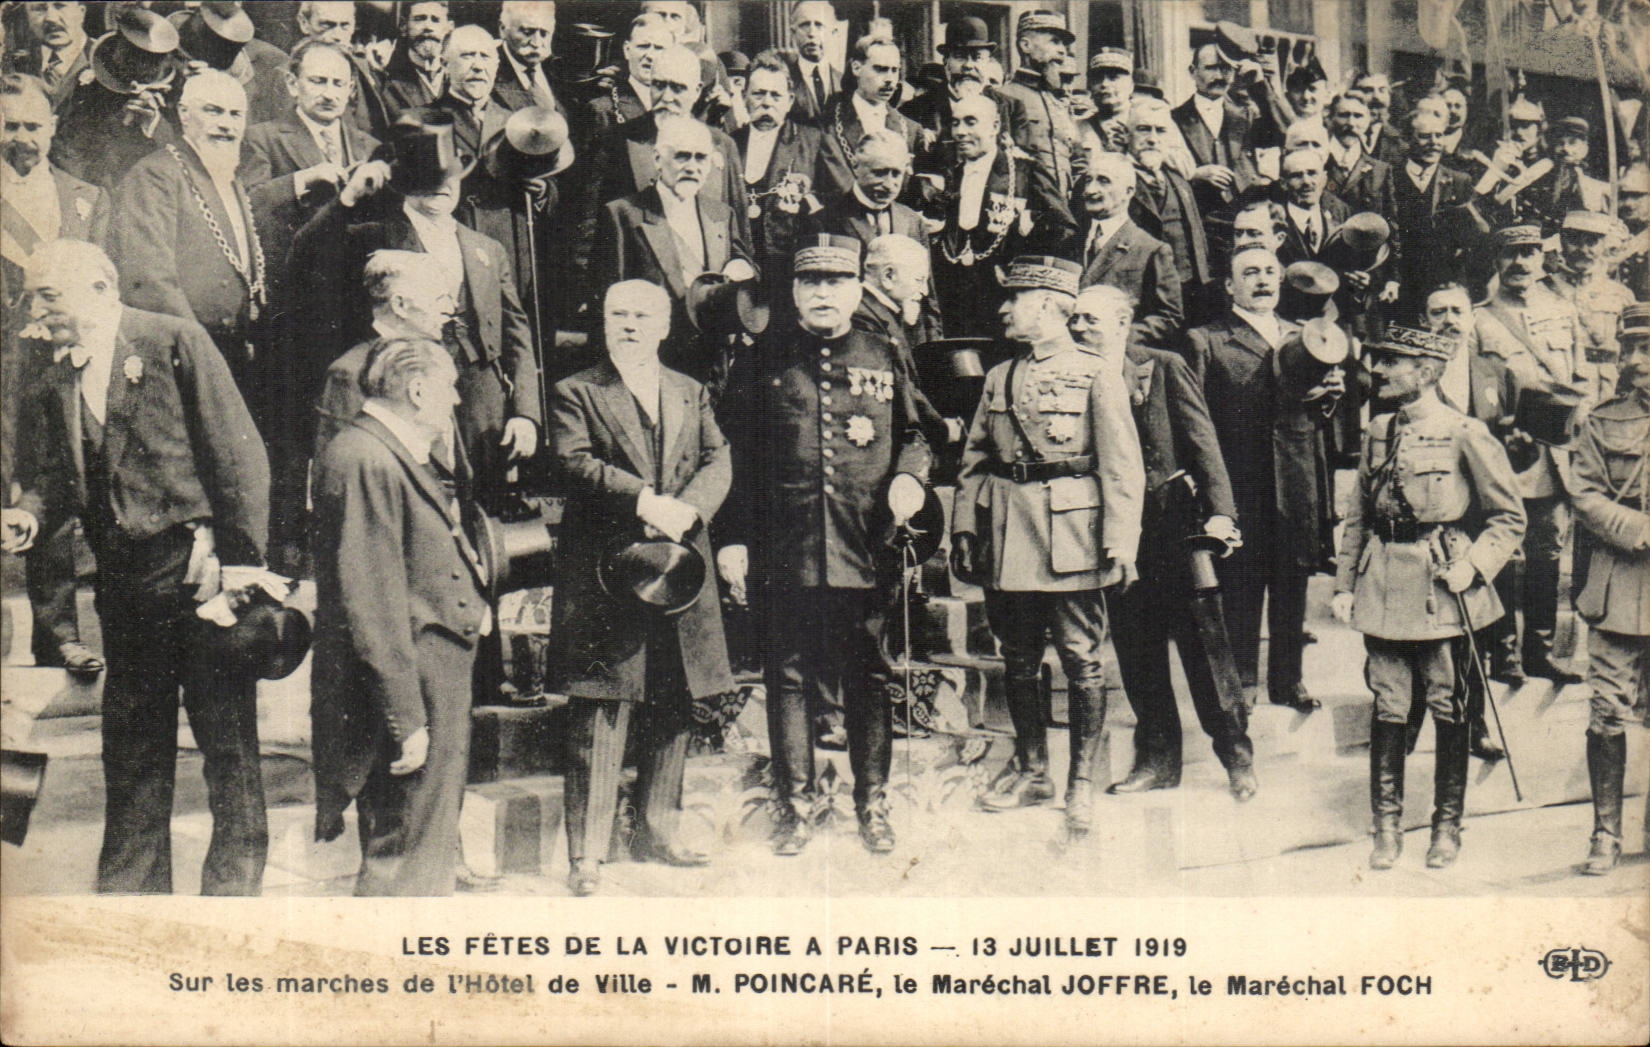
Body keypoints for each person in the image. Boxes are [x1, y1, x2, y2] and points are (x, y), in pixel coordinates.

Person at [7, 239, 271, 894]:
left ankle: (233, 900)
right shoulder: (52, 377)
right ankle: (130, 899)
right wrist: (30, 515)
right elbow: (53, 477)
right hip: (125, 591)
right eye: (31, 298)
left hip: (198, 576)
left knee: (227, 747)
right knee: (131, 751)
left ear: (100, 287)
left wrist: (241, 568)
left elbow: (238, 456)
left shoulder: (171, 341)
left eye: (47, 295)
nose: (34, 312)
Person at [718, 234, 932, 858]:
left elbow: (917, 434)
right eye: (811, 282)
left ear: (858, 289)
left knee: (869, 675)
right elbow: (730, 453)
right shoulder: (763, 357)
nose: (823, 293)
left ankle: (873, 804)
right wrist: (732, 536)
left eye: (836, 282)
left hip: (865, 542)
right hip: (785, 544)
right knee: (787, 676)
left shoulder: (884, 351)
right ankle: (795, 808)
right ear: (793, 290)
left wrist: (910, 479)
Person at [548, 279, 734, 896]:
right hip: (608, 569)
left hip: (680, 564)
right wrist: (645, 501)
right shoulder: (576, 391)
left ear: (664, 327)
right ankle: (587, 854)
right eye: (617, 315)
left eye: (642, 316)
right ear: (603, 323)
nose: (629, 325)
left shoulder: (689, 390)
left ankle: (659, 831)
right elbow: (574, 461)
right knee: (602, 704)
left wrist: (690, 509)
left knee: (676, 696)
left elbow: (718, 458)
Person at [950, 262, 1142, 835]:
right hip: (1009, 533)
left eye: (1017, 299)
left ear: (1050, 305)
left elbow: (1121, 465)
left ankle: (1080, 783)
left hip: (1071, 537)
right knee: (1018, 657)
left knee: (1081, 659)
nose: (1005, 309)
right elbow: (975, 460)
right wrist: (965, 528)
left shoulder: (1095, 372)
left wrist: (1121, 541)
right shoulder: (1000, 376)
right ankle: (1034, 771)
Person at [1332, 324, 1525, 870]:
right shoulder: (1378, 430)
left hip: (1442, 588)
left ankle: (1446, 827)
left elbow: (1509, 518)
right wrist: (1344, 584)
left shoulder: (1464, 432)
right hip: (1382, 586)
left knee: (1449, 706)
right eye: (1379, 361)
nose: (1379, 371)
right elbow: (1358, 516)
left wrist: (1474, 566)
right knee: (1389, 706)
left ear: (1426, 371)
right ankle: (1386, 828)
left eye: (1392, 362)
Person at [288, 108, 541, 516]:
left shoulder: (487, 248)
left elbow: (516, 334)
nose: (442, 186)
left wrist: (526, 413)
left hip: (482, 409)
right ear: (406, 183)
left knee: (482, 516)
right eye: (429, 178)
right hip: (406, 394)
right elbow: (305, 256)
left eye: (450, 176)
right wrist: (347, 199)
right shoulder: (373, 236)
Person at [309, 337, 486, 896]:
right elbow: (373, 601)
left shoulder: (384, 451)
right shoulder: (367, 458)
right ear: (417, 391)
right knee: (406, 852)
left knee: (420, 847)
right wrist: (406, 719)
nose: (456, 401)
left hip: (429, 676)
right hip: (412, 683)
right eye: (450, 388)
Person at [1085, 285, 1255, 801]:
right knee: (1137, 651)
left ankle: (1237, 757)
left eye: (1090, 319)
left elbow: (1202, 440)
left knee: (1206, 647)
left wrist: (1221, 513)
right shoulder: (1076, 375)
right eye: (1073, 319)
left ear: (1122, 322)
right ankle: (1158, 760)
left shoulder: (1161, 366)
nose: (1078, 327)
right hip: (1117, 534)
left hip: (1175, 526)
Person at [1187, 246, 1341, 711]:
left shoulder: (1305, 335)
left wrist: (1331, 396)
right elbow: (1195, 419)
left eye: (1270, 272)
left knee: (1292, 583)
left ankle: (1288, 681)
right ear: (1229, 285)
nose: (1262, 280)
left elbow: (1318, 415)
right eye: (1249, 272)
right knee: (1241, 584)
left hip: (1296, 479)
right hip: (1240, 482)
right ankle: (1242, 685)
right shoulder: (1207, 339)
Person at [1, 71, 108, 675]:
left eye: (33, 125)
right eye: (9, 125)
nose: (22, 137)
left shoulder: (86, 197)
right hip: (2, 367)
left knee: (57, 488)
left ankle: (60, 634)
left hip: (62, 364)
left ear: (54, 127)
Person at [107, 70, 269, 423]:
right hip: (184, 357)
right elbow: (149, 280)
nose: (225, 124)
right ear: (183, 113)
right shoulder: (156, 174)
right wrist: (198, 352)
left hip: (233, 354)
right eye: (213, 110)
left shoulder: (228, 175)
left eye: (235, 114)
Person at [1474, 224, 1592, 683]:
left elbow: (1581, 379)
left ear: (1544, 260)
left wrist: (1574, 425)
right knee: (1504, 552)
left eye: (1529, 253)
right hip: (1502, 452)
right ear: (1496, 261)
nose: (1520, 263)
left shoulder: (1563, 313)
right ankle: (1504, 655)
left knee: (1547, 553)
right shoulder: (1480, 320)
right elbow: (1475, 392)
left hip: (1553, 455)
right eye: (1511, 253)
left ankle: (1540, 652)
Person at [1421, 281, 1521, 755]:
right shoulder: (1411, 375)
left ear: (1472, 317)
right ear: (1424, 322)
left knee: (1475, 628)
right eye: (1437, 312)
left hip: (1481, 522)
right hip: (1429, 521)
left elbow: (1512, 451)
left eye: (1457, 311)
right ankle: (1412, 719)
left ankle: (1473, 723)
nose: (1448, 320)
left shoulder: (1496, 372)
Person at [593, 115, 757, 396]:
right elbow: (608, 304)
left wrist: (741, 267)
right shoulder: (623, 214)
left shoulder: (721, 214)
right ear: (658, 159)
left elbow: (746, 266)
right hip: (654, 371)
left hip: (713, 371)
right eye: (682, 156)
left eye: (701, 158)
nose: (692, 167)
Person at [1569, 304, 1649, 876]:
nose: (1636, 360)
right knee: (1606, 713)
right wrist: (1638, 528)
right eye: (1630, 349)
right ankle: (1605, 834)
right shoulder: (1603, 420)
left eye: (1648, 347)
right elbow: (1584, 492)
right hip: (1619, 585)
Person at [928, 93, 1071, 357]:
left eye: (970, 122)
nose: (960, 132)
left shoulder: (1025, 172)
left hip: (1005, 309)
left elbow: (1064, 228)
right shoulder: (950, 177)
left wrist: (1023, 269)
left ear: (995, 126)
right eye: (956, 123)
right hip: (955, 310)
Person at [313, 250, 457, 460]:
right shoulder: (349, 373)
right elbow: (347, 466)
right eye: (440, 298)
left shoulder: (433, 357)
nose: (451, 308)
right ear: (400, 305)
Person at [735, 49, 827, 298]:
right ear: (744, 96)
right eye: (758, 94)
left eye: (775, 95)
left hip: (789, 271)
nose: (766, 102)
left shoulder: (812, 142)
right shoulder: (729, 144)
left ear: (789, 101)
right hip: (741, 270)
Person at [1071, 150, 1182, 348]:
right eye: (1088, 180)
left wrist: (1117, 336)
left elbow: (1169, 317)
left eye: (1103, 181)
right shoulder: (1070, 242)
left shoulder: (1150, 249)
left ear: (1129, 191)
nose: (1090, 190)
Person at [1123, 96, 1215, 327]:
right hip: (1142, 295)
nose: (1152, 139)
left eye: (1160, 131)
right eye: (1143, 129)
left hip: (1189, 294)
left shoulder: (1178, 180)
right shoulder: (1115, 178)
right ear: (1126, 135)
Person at [816, 31, 924, 204]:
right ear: (856, 68)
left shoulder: (911, 130)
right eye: (880, 69)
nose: (890, 79)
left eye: (894, 70)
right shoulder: (826, 124)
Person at [1546, 210, 1637, 399]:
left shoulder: (1621, 294)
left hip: (1606, 389)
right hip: (1558, 385)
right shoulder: (1542, 290)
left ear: (1603, 244)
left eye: (1592, 242)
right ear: (1561, 242)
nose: (1583, 249)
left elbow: (1634, 347)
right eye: (1574, 241)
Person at [994, 10, 1079, 200]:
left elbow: (1077, 158)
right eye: (1054, 41)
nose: (1063, 51)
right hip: (1026, 208)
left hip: (1066, 208)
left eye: (1063, 44)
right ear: (1026, 45)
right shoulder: (1003, 96)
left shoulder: (1060, 103)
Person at [585, 12, 669, 136]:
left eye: (659, 48)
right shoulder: (602, 110)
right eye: (643, 46)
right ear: (627, 50)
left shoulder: (683, 106)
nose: (650, 55)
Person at [12, 1, 88, 111]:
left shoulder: (107, 61)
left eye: (60, 6)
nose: (51, 18)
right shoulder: (16, 65)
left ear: (81, 12)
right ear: (27, 17)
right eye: (39, 8)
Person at [380, 1, 451, 115]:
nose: (428, 27)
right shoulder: (387, 82)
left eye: (435, 20)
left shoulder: (456, 79)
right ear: (404, 26)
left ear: (447, 28)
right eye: (419, 19)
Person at [784, 1, 838, 123]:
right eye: (804, 25)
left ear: (833, 33)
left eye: (819, 25)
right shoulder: (783, 81)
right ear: (793, 33)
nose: (812, 33)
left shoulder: (845, 83)